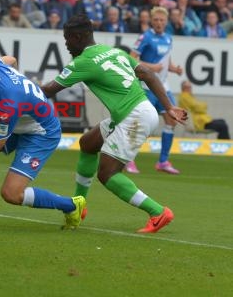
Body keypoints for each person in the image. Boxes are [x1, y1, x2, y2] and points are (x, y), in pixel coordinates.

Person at [41, 14, 188, 233]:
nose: (66, 43)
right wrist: (168, 107)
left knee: (107, 174)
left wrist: (20, 87)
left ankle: (158, 212)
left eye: (68, 38)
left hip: (134, 117)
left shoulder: (82, 62)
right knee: (88, 143)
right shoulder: (113, 51)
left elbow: (48, 91)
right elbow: (147, 73)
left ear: (78, 37)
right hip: (138, 110)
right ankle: (79, 204)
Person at [0, 54, 86, 229]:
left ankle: (71, 205)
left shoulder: (7, 104)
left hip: (42, 133)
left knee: (11, 194)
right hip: (19, 120)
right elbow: (10, 59)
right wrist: (17, 85)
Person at [126, 7, 183, 175]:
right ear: (152, 21)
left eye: (162, 20)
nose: (159, 23)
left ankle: (163, 161)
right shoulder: (145, 37)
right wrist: (151, 67)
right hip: (147, 86)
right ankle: (128, 159)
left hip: (164, 86)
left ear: (166, 22)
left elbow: (165, 63)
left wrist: (174, 69)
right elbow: (131, 58)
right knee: (143, 124)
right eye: (156, 20)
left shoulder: (168, 38)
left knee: (172, 120)